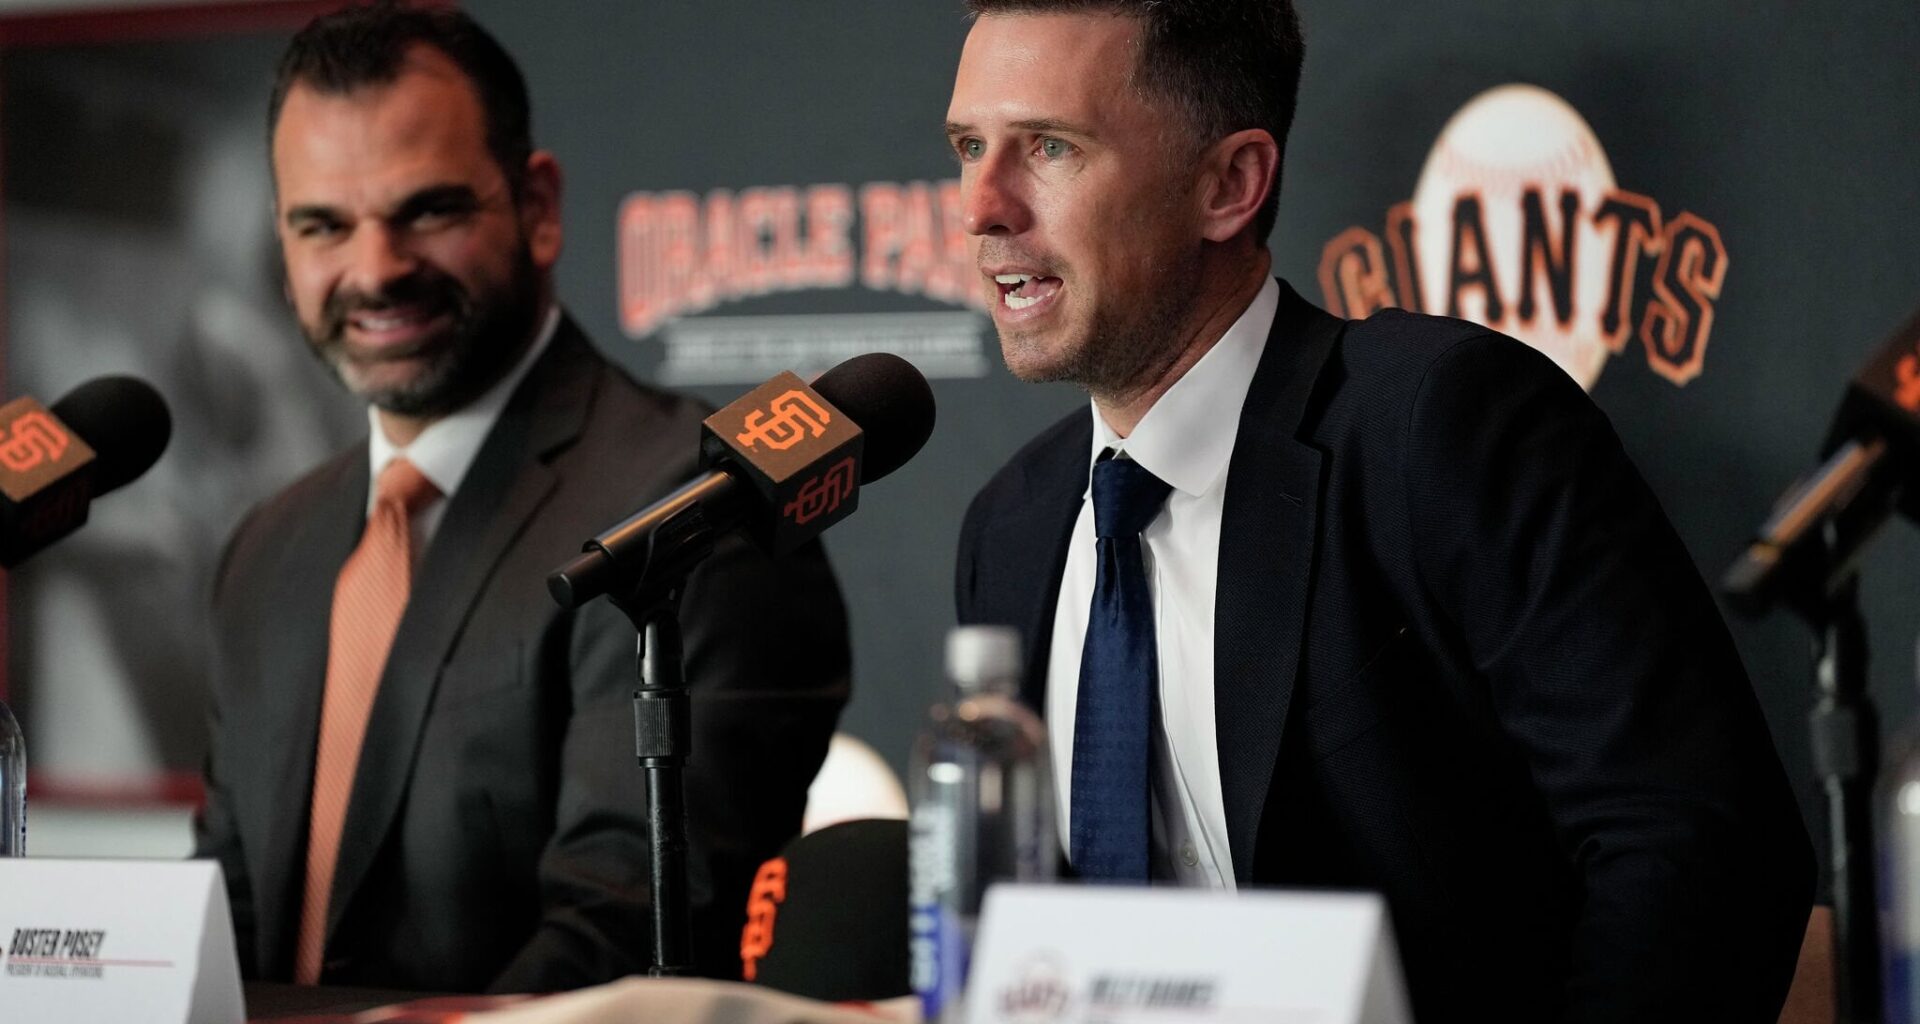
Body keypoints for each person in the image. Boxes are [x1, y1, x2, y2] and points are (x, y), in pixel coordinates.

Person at [946, 2, 1813, 1019]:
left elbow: (1697, 846)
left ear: (1229, 185)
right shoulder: (1010, 527)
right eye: (969, 146)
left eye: (1050, 147)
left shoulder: (1443, 429)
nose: (982, 206)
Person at [195, 2, 850, 994]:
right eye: (322, 225)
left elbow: (619, 936)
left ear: (537, 206)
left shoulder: (691, 510)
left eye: (428, 210)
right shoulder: (266, 549)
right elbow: (221, 929)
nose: (375, 269)